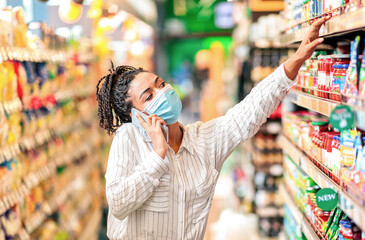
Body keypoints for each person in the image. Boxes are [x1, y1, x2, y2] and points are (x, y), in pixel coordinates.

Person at [96, 18, 328, 240]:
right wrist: (157, 157)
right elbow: (118, 204)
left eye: (161, 84)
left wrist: (296, 59)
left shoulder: (203, 141)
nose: (162, 93)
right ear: (137, 117)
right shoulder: (128, 138)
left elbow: (250, 110)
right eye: (148, 96)